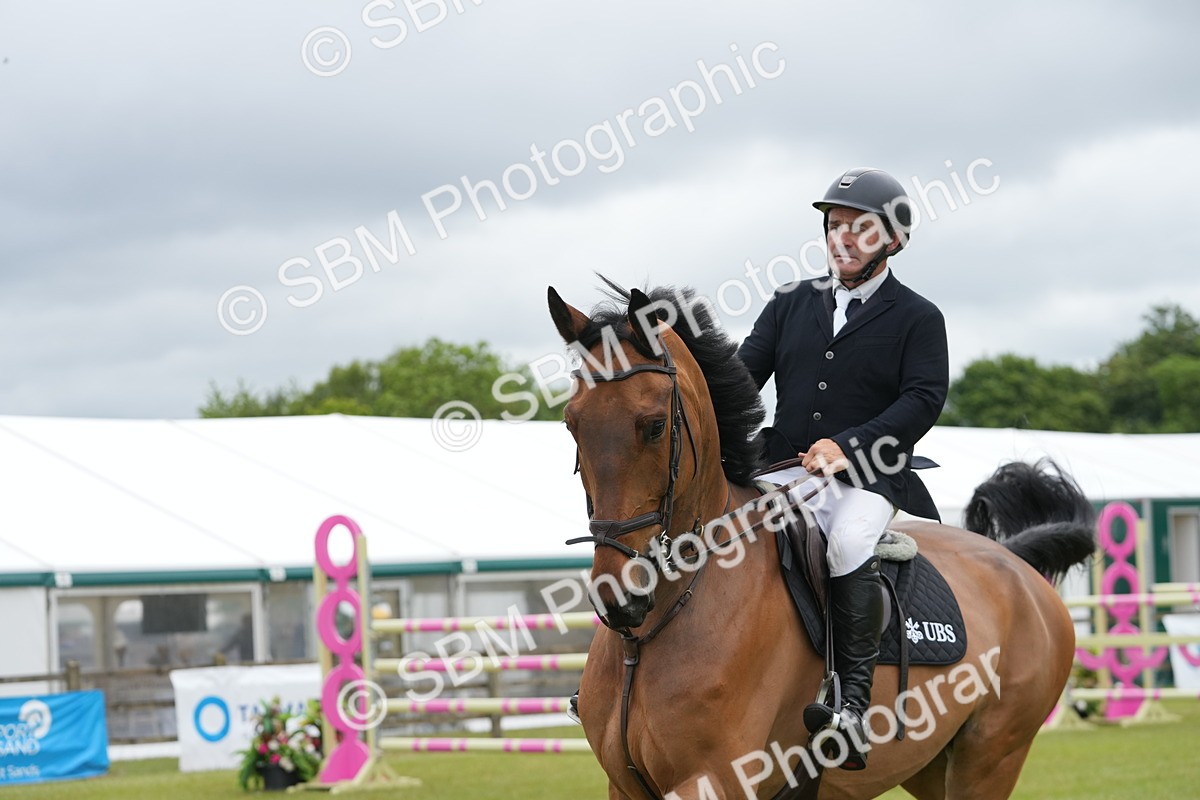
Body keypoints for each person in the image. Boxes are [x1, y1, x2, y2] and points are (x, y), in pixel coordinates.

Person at [736, 167, 949, 770]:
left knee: (848, 542)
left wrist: (849, 446)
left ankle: (852, 705)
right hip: (783, 467)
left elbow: (923, 399)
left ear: (893, 240)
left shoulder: (918, 316)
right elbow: (742, 379)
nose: (842, 238)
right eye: (834, 226)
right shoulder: (790, 303)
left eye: (860, 228)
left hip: (868, 474)